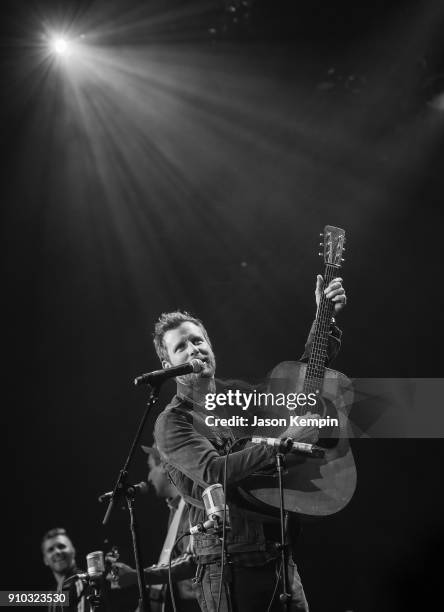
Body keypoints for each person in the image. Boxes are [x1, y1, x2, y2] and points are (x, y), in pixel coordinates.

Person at [152, 275, 347, 612]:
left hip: (279, 558)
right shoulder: (173, 421)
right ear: (168, 366)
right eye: (181, 346)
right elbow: (214, 471)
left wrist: (323, 318)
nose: (194, 348)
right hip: (226, 569)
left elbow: (299, 393)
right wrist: (284, 442)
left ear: (211, 347)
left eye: (198, 340)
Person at [108, 444, 199, 612]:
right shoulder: (176, 509)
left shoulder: (191, 505)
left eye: (151, 468)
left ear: (165, 466)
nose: (148, 478)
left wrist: (138, 576)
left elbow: (192, 562)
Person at [41, 527, 90, 612]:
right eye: (50, 550)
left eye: (61, 546)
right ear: (45, 560)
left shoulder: (84, 582)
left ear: (73, 551)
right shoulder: (52, 594)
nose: (57, 552)